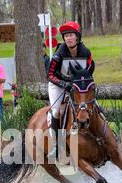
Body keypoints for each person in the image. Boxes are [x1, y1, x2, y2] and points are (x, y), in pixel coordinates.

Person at [46, 21, 95, 159]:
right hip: (57, 85)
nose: (68, 38)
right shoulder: (59, 54)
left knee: (93, 105)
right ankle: (56, 146)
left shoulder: (85, 52)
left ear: (77, 37)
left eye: (71, 35)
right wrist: (63, 83)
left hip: (76, 86)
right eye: (66, 36)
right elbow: (49, 75)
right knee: (56, 111)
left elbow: (90, 71)